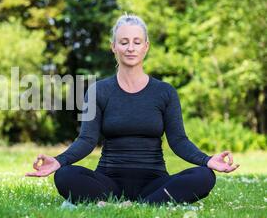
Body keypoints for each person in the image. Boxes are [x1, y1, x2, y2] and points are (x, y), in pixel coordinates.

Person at [25, 13, 240, 206]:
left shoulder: (165, 92)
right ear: (113, 47)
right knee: (64, 176)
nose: (130, 48)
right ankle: (140, 204)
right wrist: (59, 161)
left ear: (146, 46)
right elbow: (86, 140)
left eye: (137, 42)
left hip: (154, 183)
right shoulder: (98, 91)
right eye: (124, 42)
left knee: (204, 176)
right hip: (108, 181)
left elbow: (179, 141)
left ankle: (141, 204)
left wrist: (207, 160)